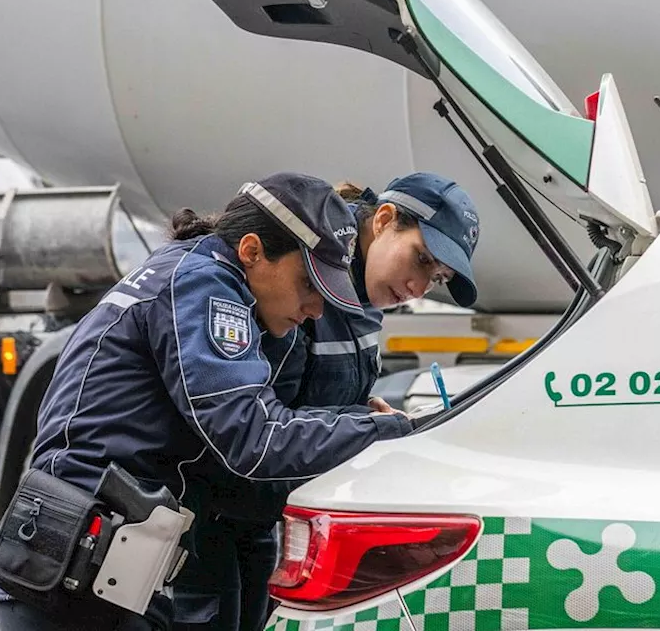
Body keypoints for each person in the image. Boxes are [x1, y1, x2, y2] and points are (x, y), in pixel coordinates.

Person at [0, 172, 415, 631]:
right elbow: (253, 439)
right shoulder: (203, 286)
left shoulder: (194, 270)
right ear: (252, 251)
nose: (316, 309)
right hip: (78, 576)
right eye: (309, 285)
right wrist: (385, 431)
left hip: (91, 561)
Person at [171, 172, 481, 631]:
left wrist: (364, 420)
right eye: (421, 259)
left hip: (271, 524)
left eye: (435, 278)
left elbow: (320, 403)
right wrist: (374, 431)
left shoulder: (369, 301)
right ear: (385, 220)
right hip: (208, 526)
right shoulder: (289, 281)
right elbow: (250, 424)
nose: (419, 286)